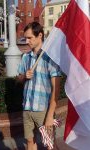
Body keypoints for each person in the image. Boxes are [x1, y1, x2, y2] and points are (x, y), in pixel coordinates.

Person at [17, 22, 61, 150]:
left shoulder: (50, 58)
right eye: (25, 37)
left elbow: (56, 89)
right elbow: (18, 80)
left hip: (43, 109)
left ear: (40, 35)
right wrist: (24, 76)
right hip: (27, 108)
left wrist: (50, 115)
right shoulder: (26, 57)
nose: (27, 41)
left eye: (30, 37)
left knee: (49, 144)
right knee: (29, 141)